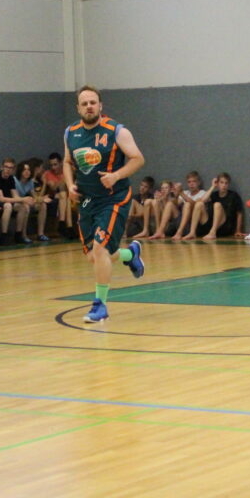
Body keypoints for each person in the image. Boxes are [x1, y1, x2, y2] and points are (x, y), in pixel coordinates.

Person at [63, 85, 146, 322]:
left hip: (114, 198)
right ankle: (130, 254)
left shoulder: (117, 131)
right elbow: (67, 162)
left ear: (100, 105)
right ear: (78, 108)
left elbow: (138, 159)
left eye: (93, 102)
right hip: (87, 200)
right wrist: (69, 185)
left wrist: (116, 175)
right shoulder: (70, 132)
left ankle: (100, 306)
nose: (89, 106)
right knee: (95, 256)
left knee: (100, 250)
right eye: (84, 103)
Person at [0, 158, 30, 245]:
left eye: (11, 168)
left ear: (13, 170)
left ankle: (18, 234)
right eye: (6, 167)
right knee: (8, 205)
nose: (8, 170)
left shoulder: (11, 179)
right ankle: (3, 235)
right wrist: (22, 199)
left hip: (4, 203)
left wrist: (24, 200)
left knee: (23, 207)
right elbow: (1, 199)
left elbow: (15, 195)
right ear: (1, 167)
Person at [188, 173, 244, 241]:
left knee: (217, 205)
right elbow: (202, 200)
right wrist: (212, 187)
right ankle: (192, 232)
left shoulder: (234, 195)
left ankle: (213, 232)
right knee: (199, 204)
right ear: (217, 184)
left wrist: (238, 230)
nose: (224, 185)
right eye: (221, 183)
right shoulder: (214, 195)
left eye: (226, 183)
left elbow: (239, 213)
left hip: (225, 226)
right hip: (211, 225)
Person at [15, 161, 51, 242]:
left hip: (25, 201)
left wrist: (41, 199)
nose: (27, 172)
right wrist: (29, 200)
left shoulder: (30, 182)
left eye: (28, 170)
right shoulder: (15, 181)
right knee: (25, 206)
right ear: (20, 171)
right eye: (24, 170)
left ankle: (40, 234)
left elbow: (35, 196)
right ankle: (23, 235)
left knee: (42, 205)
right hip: (15, 202)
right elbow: (15, 197)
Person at [170, 171, 209, 241]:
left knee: (187, 204)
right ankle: (159, 231)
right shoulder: (185, 192)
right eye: (189, 182)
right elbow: (176, 204)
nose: (191, 184)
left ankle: (179, 232)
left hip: (196, 225)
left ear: (199, 183)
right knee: (169, 204)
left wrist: (181, 193)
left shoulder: (203, 193)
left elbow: (195, 205)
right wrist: (176, 195)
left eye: (194, 181)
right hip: (184, 223)